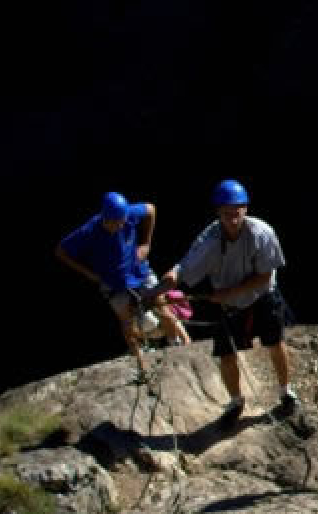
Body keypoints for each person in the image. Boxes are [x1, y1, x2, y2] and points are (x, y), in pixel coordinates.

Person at [162, 179, 295, 421]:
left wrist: (229, 293)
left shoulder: (261, 233)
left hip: (262, 295)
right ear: (218, 213)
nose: (232, 219)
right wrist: (171, 277)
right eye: (226, 214)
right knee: (226, 353)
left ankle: (286, 392)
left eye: (236, 212)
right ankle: (235, 402)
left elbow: (265, 276)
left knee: (275, 342)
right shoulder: (210, 239)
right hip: (230, 303)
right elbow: (186, 265)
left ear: (245, 208)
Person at [56, 191, 189, 375]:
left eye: (123, 220)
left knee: (162, 308)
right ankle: (142, 364)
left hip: (139, 271)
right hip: (114, 282)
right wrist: (89, 275)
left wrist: (146, 244)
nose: (122, 224)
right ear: (105, 218)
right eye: (117, 222)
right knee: (127, 323)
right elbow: (61, 251)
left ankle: (178, 347)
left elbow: (151, 209)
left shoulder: (129, 214)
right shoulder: (89, 231)